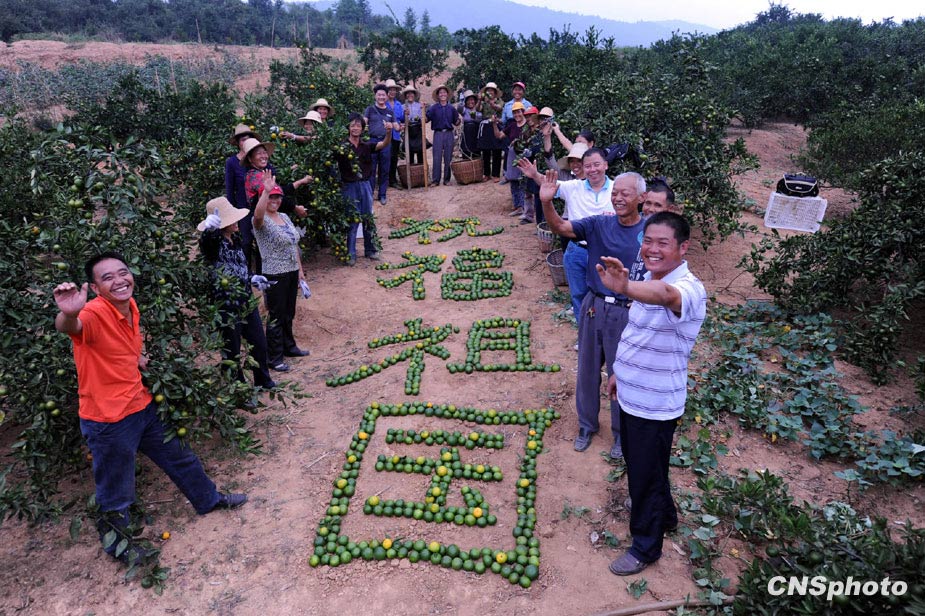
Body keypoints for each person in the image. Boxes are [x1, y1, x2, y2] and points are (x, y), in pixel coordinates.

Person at [53, 253, 247, 565]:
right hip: (109, 420)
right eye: (107, 278)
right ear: (95, 288)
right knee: (116, 488)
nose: (119, 281)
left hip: (140, 404)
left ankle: (208, 500)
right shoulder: (93, 312)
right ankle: (119, 546)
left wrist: (136, 358)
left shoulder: (129, 305)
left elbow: (121, 344)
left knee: (180, 456)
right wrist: (68, 314)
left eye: (123, 272)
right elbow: (71, 326)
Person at [596, 211, 707, 575]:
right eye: (648, 241)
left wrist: (625, 287)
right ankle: (666, 515)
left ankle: (646, 547)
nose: (652, 249)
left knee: (644, 475)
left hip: (655, 404)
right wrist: (619, 373)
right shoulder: (648, 278)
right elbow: (638, 332)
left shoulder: (687, 288)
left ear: (683, 248)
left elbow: (665, 296)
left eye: (663, 243)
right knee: (644, 464)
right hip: (633, 394)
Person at [539, 167, 647, 459]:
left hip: (627, 311)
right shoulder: (599, 223)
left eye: (625, 194)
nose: (618, 198)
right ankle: (587, 425)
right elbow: (561, 228)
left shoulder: (649, 232)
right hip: (594, 305)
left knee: (621, 373)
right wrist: (547, 202)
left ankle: (621, 433)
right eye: (615, 193)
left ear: (641, 197)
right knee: (587, 369)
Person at [519, 146, 612, 319]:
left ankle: (603, 331)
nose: (592, 169)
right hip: (577, 251)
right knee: (578, 296)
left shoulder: (616, 189)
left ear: (605, 165)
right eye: (588, 166)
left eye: (596, 164)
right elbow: (549, 184)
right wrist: (534, 175)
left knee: (606, 296)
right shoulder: (574, 187)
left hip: (606, 253)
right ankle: (583, 330)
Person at [197, 196, 276, 390]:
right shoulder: (215, 244)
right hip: (226, 303)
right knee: (231, 348)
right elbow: (207, 245)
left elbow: (240, 267)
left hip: (245, 299)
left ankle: (263, 380)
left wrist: (252, 278)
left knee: (258, 341)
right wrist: (209, 231)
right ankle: (238, 389)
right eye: (231, 219)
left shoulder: (236, 239)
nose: (236, 222)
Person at [252, 174, 311, 372]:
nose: (275, 200)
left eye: (277, 197)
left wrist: (300, 271)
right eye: (271, 197)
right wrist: (265, 191)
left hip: (291, 271)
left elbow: (293, 244)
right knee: (276, 315)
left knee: (289, 312)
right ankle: (274, 357)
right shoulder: (261, 221)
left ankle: (289, 346)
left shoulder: (284, 217)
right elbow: (258, 216)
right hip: (274, 273)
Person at [240, 137, 310, 273]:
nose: (263, 156)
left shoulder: (262, 173)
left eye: (264, 152)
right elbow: (274, 196)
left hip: (269, 218)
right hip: (263, 219)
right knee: (267, 252)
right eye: (259, 153)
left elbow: (279, 191)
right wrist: (295, 208)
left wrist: (300, 182)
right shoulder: (255, 176)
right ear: (250, 159)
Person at [335, 113, 390, 265]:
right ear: (348, 128)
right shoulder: (342, 147)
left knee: (367, 218)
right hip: (349, 186)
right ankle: (351, 253)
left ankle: (370, 249)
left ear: (362, 128)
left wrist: (388, 133)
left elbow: (383, 144)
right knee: (352, 219)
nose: (355, 128)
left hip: (365, 185)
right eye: (352, 125)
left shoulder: (366, 146)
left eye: (358, 125)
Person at [225, 124, 261, 271]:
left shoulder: (256, 158)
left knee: (261, 241)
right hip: (242, 209)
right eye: (242, 139)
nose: (245, 142)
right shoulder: (231, 162)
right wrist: (232, 214)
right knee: (246, 242)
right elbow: (230, 189)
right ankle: (245, 273)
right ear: (238, 143)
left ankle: (262, 274)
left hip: (259, 207)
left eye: (248, 138)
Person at [493, 101, 531, 221]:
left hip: (524, 156)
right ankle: (517, 206)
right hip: (513, 155)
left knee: (524, 181)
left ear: (523, 112)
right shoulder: (512, 126)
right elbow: (499, 136)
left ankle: (526, 208)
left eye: (519, 112)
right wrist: (494, 124)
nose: (517, 115)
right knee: (513, 180)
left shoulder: (528, 126)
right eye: (514, 112)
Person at [364, 84, 396, 205]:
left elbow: (396, 125)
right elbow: (364, 122)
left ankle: (382, 194)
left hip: (386, 142)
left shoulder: (390, 111)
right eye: (379, 95)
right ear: (375, 96)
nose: (381, 97)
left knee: (384, 169)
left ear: (387, 96)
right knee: (371, 169)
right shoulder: (370, 109)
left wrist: (393, 126)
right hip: (372, 141)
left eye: (383, 95)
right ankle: (370, 194)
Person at [426, 84, 461, 186]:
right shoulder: (433, 108)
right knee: (437, 157)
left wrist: (459, 120)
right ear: (438, 95)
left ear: (447, 94)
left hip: (449, 133)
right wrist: (423, 113)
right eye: (440, 93)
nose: (442, 94)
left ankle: (446, 179)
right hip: (438, 134)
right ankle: (435, 180)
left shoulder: (451, 108)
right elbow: (427, 119)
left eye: (444, 92)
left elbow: (456, 122)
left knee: (448, 157)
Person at [499, 82, 532, 185]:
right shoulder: (507, 105)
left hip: (523, 126)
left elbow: (532, 118)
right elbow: (503, 120)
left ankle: (523, 175)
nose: (517, 92)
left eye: (519, 89)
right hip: (510, 127)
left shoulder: (528, 104)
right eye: (515, 89)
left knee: (522, 151)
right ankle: (507, 175)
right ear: (512, 91)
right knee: (509, 152)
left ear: (523, 92)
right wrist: (495, 122)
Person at [476, 82, 504, 182]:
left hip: (496, 125)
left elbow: (499, 108)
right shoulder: (483, 102)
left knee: (497, 150)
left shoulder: (499, 101)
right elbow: (477, 109)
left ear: (495, 92)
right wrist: (479, 100)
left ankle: (496, 174)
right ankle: (486, 173)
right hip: (486, 126)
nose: (490, 92)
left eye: (492, 90)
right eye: (488, 90)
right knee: (485, 151)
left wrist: (492, 103)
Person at [384, 79, 406, 189]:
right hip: (385, 134)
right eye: (390, 90)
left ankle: (392, 180)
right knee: (385, 157)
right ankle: (384, 179)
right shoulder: (383, 103)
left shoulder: (398, 104)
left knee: (394, 157)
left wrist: (405, 116)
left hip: (396, 134)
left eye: (394, 90)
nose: (392, 92)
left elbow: (401, 118)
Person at [401, 85, 427, 166]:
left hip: (418, 130)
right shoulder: (402, 107)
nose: (410, 95)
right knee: (410, 154)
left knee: (420, 152)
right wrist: (405, 116)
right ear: (405, 95)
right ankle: (411, 171)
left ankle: (421, 171)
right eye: (408, 93)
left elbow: (424, 119)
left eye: (411, 93)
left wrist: (423, 110)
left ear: (414, 95)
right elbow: (401, 120)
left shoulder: (419, 105)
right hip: (408, 131)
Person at [458, 90, 482, 161]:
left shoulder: (479, 111)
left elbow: (476, 118)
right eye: (468, 100)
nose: (470, 102)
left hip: (476, 136)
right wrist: (461, 100)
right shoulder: (464, 110)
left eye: (472, 100)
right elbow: (459, 108)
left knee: (476, 156)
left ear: (475, 101)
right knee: (466, 156)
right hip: (466, 136)